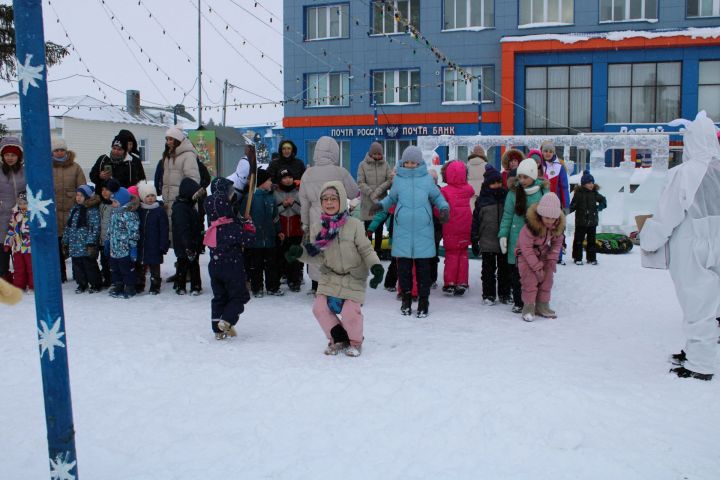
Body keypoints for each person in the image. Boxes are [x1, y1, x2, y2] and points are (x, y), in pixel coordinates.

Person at [641, 111, 720, 381]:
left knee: (697, 303)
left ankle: (700, 363)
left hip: (693, 243)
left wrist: (649, 240)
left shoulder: (684, 173)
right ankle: (696, 351)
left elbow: (667, 215)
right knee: (712, 305)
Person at [285, 181, 384, 357]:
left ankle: (355, 342)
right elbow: (318, 255)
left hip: (353, 276)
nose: (329, 203)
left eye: (333, 199)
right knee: (319, 308)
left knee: (349, 312)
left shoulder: (354, 224)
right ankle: (338, 339)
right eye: (325, 199)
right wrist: (300, 253)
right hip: (330, 277)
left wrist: (375, 266)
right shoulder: (318, 228)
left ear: (342, 200)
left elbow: (366, 249)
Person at [377, 146, 449, 317]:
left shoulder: (426, 180)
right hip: (403, 231)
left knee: (424, 271)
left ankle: (424, 302)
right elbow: (391, 198)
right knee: (404, 271)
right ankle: (406, 301)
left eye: (413, 162)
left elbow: (437, 197)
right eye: (407, 162)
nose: (410, 165)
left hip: (423, 231)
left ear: (419, 163)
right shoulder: (399, 180)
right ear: (403, 162)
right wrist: (380, 206)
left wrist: (444, 207)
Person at [300, 136, 359, 294]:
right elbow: (354, 193)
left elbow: (304, 202)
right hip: (336, 216)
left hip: (314, 217)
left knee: (316, 249)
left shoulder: (307, 174)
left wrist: (304, 222)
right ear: (334, 152)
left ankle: (316, 286)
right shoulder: (340, 172)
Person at [203, 177, 257, 340]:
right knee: (240, 295)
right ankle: (226, 321)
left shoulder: (213, 225)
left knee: (220, 296)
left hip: (215, 266)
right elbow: (249, 240)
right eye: (230, 193)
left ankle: (218, 329)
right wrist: (249, 226)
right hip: (231, 267)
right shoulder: (231, 227)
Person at [498, 158, 549, 313]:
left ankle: (532, 301)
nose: (522, 180)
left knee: (533, 271)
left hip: (536, 239)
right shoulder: (513, 193)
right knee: (516, 272)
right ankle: (519, 300)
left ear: (533, 176)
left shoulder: (542, 192)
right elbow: (507, 215)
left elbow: (550, 217)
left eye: (525, 177)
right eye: (520, 176)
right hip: (516, 237)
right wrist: (503, 235)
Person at [515, 192, 565, 322]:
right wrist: (536, 267)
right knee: (530, 280)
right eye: (546, 217)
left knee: (547, 279)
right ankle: (529, 306)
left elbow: (558, 242)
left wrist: (552, 258)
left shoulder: (556, 226)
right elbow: (526, 248)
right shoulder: (530, 227)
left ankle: (543, 305)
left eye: (553, 218)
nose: (549, 221)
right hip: (526, 256)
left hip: (543, 253)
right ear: (540, 214)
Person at [471, 165, 511, 305]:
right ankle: (488, 294)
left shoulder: (506, 197)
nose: (497, 185)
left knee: (504, 270)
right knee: (488, 271)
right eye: (493, 183)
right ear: (487, 184)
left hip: (503, 242)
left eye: (499, 182)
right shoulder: (482, 200)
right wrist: (474, 239)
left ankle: (504, 293)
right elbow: (475, 221)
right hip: (487, 241)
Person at [241, 169, 283, 297]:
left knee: (272, 265)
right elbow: (242, 216)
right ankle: (257, 288)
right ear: (261, 182)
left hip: (270, 238)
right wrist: (245, 218)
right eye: (269, 180)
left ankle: (273, 287)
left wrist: (278, 230)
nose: (271, 182)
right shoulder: (249, 198)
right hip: (255, 239)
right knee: (256, 266)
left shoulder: (271, 197)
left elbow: (275, 216)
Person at [52, 137, 86, 283]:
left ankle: (78, 273)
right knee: (56, 245)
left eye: (62, 150)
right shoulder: (47, 166)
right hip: (53, 213)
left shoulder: (75, 167)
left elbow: (83, 188)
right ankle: (60, 274)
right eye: (56, 150)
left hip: (72, 212)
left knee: (74, 244)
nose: (59, 153)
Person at [440, 160, 474, 296]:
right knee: (463, 255)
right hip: (466, 227)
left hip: (450, 228)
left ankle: (450, 283)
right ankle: (462, 282)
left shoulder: (445, 191)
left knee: (451, 255)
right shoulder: (469, 189)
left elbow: (439, 209)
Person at [161, 126, 201, 233]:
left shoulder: (188, 156)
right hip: (169, 202)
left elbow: (193, 180)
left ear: (177, 140)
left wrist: (183, 199)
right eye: (167, 139)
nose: (168, 142)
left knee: (182, 233)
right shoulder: (168, 156)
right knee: (172, 232)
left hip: (183, 203)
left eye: (171, 139)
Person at [64, 185, 102, 294]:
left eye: (81, 195)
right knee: (77, 266)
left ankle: (95, 284)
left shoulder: (91, 210)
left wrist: (91, 242)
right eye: (77, 195)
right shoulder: (75, 209)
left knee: (89, 265)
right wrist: (66, 241)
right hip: (75, 245)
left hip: (85, 244)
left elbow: (94, 227)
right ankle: (82, 284)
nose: (78, 198)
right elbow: (69, 226)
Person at [357, 141, 393, 254]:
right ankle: (367, 252)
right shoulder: (362, 165)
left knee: (379, 227)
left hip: (381, 202)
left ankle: (378, 250)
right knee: (368, 228)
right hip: (367, 203)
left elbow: (390, 180)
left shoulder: (386, 165)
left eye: (379, 154)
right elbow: (360, 182)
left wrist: (378, 191)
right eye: (375, 154)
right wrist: (371, 193)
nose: (378, 156)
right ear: (371, 153)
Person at [0, 136, 25, 284]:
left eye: (13, 155)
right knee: (2, 251)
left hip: (21, 218)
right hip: (2, 217)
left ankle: (21, 279)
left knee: (20, 251)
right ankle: (4, 278)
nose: (10, 158)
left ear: (19, 156)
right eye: (7, 154)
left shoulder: (25, 172)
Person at [136, 181, 169, 295]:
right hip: (142, 244)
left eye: (152, 196)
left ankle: (155, 285)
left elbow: (164, 229)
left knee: (154, 266)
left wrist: (163, 244)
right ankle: (139, 284)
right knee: (140, 265)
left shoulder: (159, 211)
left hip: (155, 244)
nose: (150, 198)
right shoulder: (140, 210)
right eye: (147, 196)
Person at [107, 187, 140, 299]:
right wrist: (108, 241)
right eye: (112, 202)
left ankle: (130, 286)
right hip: (114, 249)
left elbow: (133, 232)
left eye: (115, 202)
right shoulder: (114, 213)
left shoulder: (129, 215)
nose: (113, 204)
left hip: (125, 249)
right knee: (115, 269)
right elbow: (110, 229)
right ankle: (118, 285)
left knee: (126, 269)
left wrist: (133, 248)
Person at [172, 178, 203, 295]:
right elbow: (182, 228)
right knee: (183, 264)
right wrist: (188, 245)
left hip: (192, 241)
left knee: (193, 264)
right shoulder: (181, 208)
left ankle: (195, 286)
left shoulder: (189, 205)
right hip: (184, 242)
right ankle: (181, 286)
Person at [274, 169, 304, 292]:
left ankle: (295, 281)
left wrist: (293, 204)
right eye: (285, 178)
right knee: (281, 256)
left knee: (295, 257)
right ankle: (282, 276)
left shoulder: (298, 192)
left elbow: (302, 211)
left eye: (290, 177)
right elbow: (274, 212)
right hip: (281, 231)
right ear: (280, 180)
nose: (288, 180)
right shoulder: (275, 193)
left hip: (296, 231)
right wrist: (283, 206)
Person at [569, 171, 607, 266]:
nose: (591, 185)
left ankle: (591, 258)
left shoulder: (594, 193)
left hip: (592, 222)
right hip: (581, 222)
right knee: (578, 240)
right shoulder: (578, 194)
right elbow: (572, 206)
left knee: (591, 241)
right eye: (589, 183)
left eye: (592, 183)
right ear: (583, 184)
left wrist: (600, 207)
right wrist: (563, 212)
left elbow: (603, 200)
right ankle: (577, 257)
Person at [3, 191, 32, 292]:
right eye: (20, 203)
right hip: (17, 247)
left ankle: (32, 285)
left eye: (25, 203)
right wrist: (7, 243)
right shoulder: (15, 216)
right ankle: (19, 286)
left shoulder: (32, 216)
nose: (22, 205)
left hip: (29, 248)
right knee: (19, 268)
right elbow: (11, 230)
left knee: (30, 268)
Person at [97, 180, 117, 289]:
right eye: (102, 190)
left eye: (107, 190)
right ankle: (107, 279)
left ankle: (114, 280)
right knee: (104, 261)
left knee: (112, 262)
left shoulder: (115, 205)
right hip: (103, 239)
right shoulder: (102, 204)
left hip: (112, 239)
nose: (104, 192)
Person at [467, 146, 488, 211]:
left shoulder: (467, 165)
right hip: (483, 191)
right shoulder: (486, 165)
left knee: (471, 210)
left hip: (470, 191)